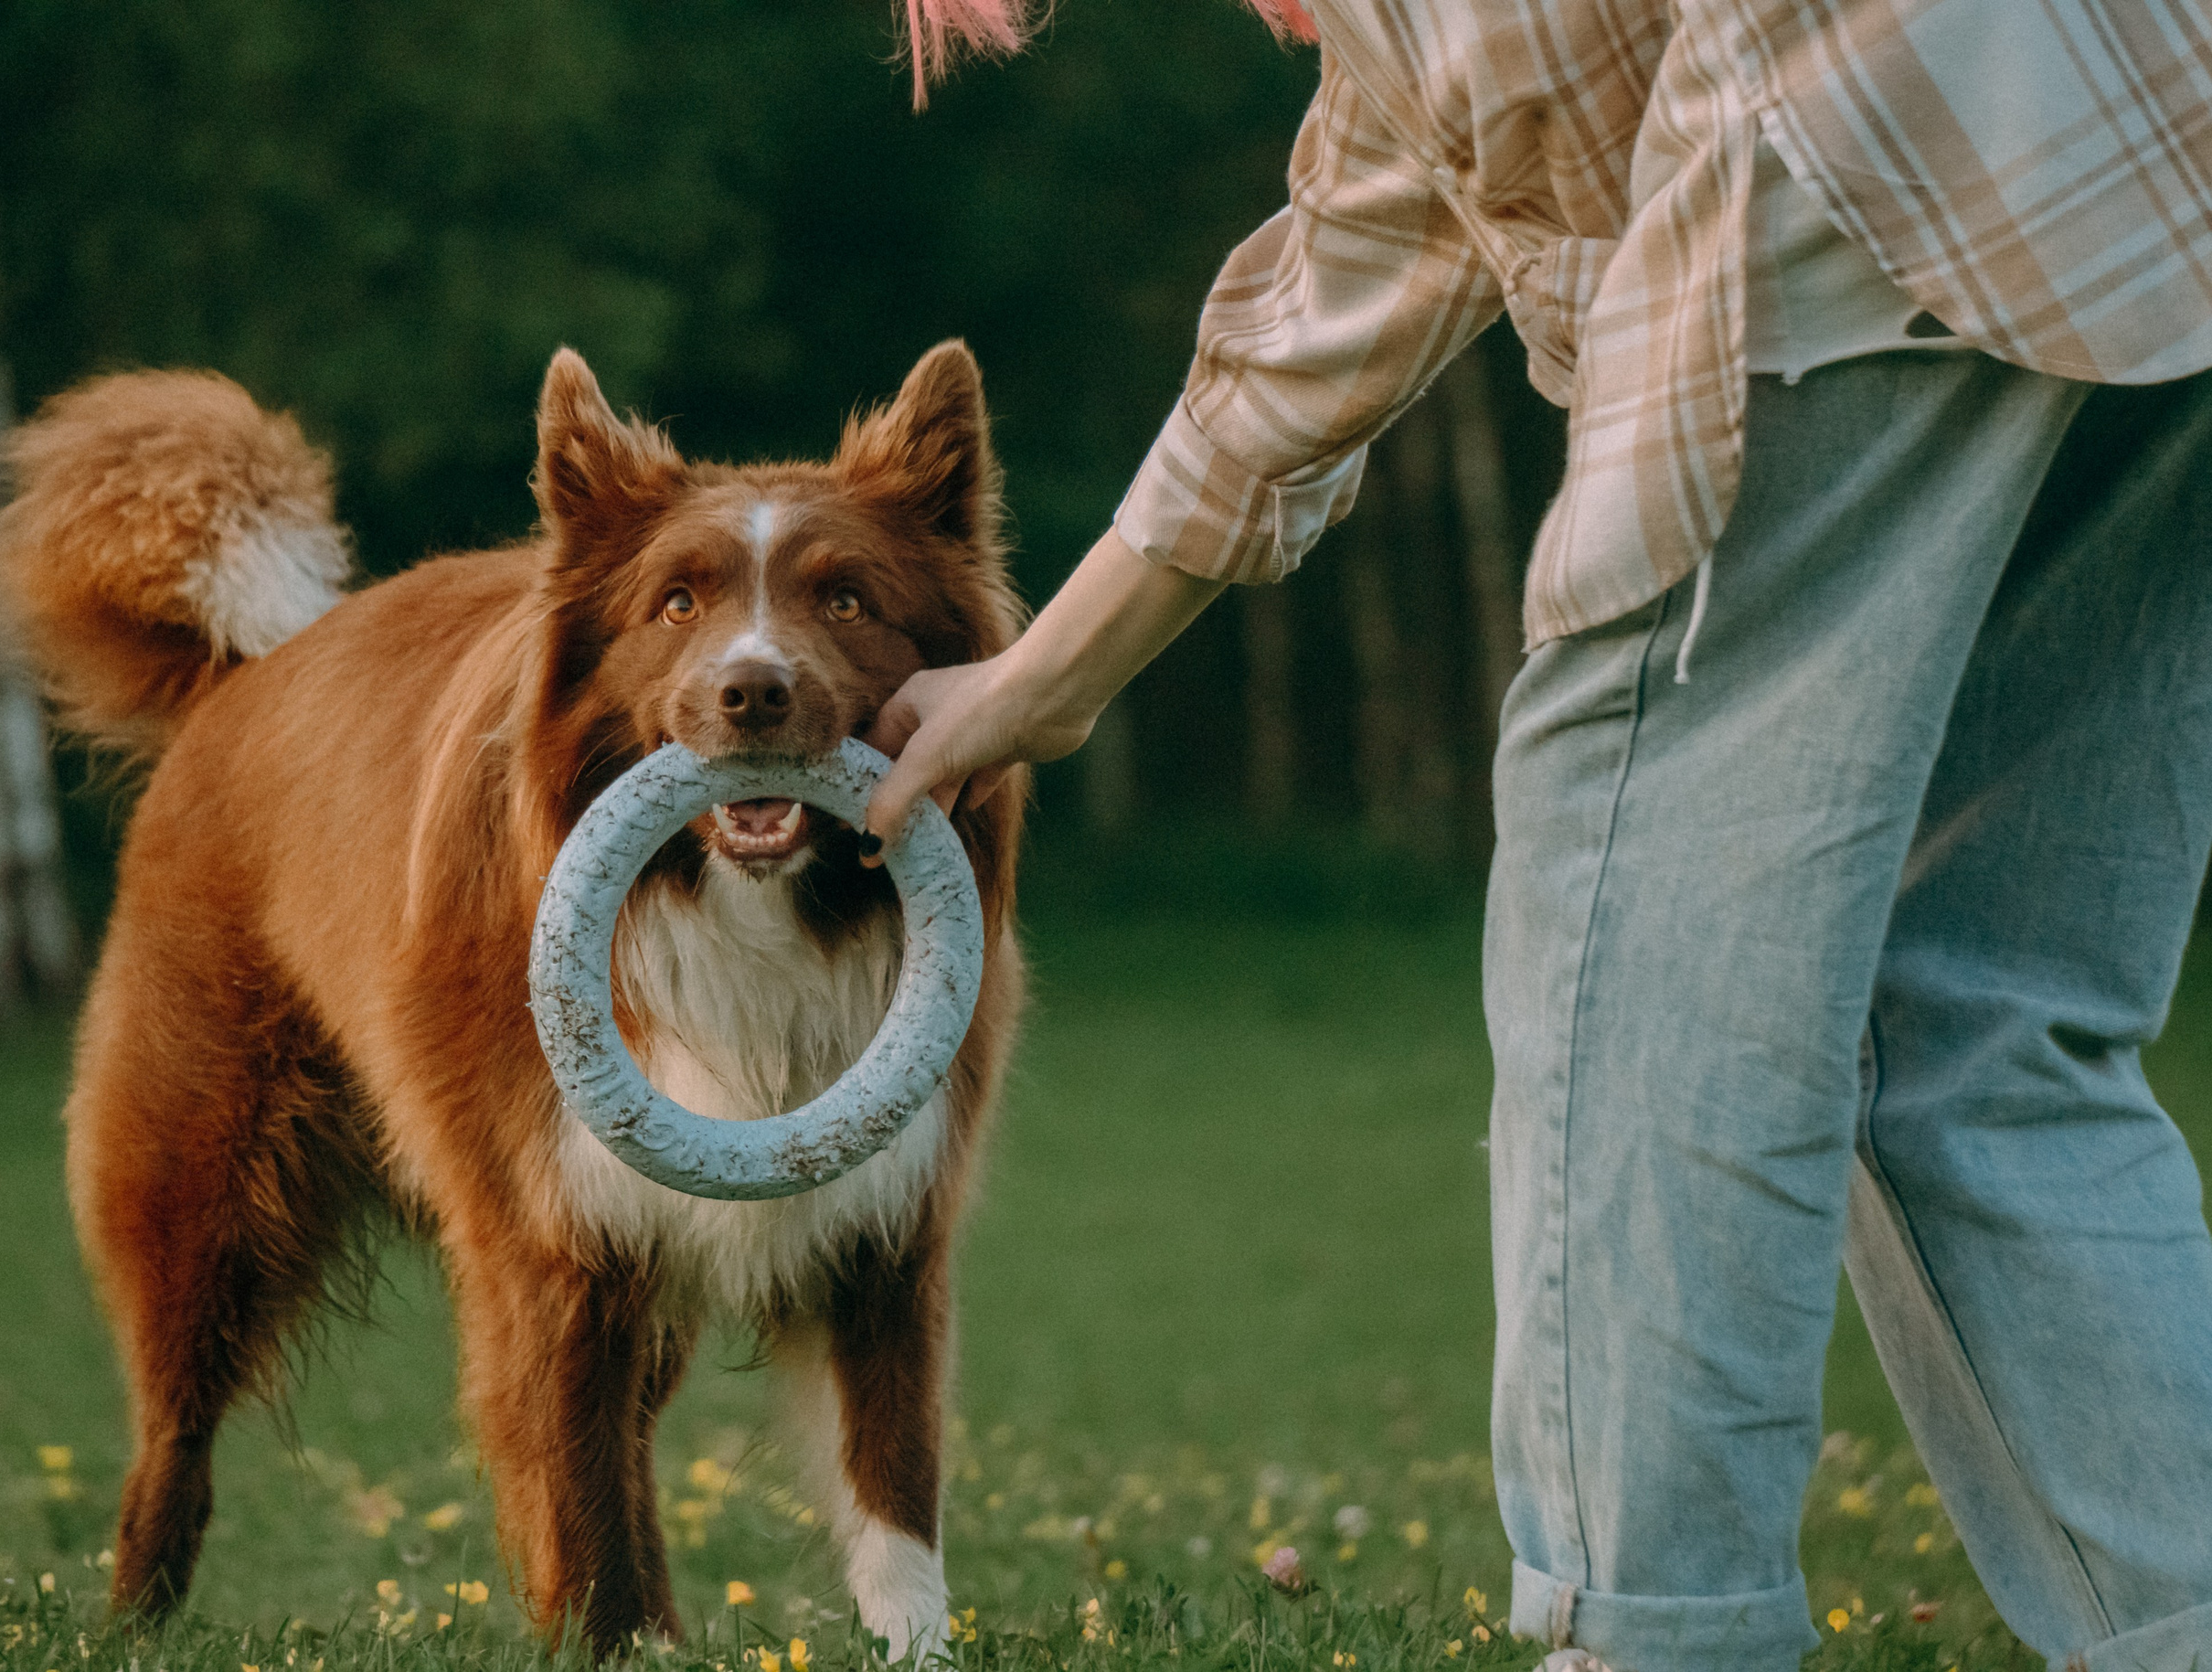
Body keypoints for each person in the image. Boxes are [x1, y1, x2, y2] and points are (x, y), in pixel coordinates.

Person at [860, 3, 2212, 1670]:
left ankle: (1653, 1636)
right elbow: (1385, 218)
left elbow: (1503, 66)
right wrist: (1048, 679)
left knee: (1635, 968)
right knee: (1972, 1021)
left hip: (1849, 166)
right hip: (2147, 179)